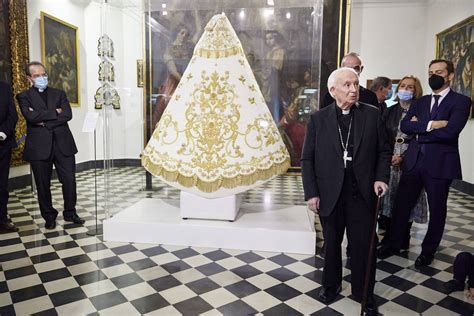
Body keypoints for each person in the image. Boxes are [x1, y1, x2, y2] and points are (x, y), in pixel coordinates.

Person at [301, 67, 391, 315]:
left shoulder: (372, 115)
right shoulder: (318, 119)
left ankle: (363, 293)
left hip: (362, 193)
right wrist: (312, 193)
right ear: (333, 91)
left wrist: (381, 178)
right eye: (348, 85)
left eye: (356, 84)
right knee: (331, 244)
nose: (354, 90)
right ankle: (331, 286)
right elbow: (307, 159)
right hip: (330, 192)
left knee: (363, 246)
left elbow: (384, 151)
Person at [378, 59, 472, 267]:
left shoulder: (461, 102)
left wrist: (420, 129)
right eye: (430, 72)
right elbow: (405, 125)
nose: (433, 76)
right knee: (401, 206)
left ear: (450, 75)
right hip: (413, 161)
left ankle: (427, 251)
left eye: (439, 72)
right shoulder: (420, 102)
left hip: (440, 164)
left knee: (437, 210)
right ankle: (393, 244)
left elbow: (451, 131)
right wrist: (432, 124)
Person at [16, 61, 84, 229]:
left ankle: (70, 212)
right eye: (37, 76)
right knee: (42, 184)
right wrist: (55, 113)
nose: (42, 78)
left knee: (69, 180)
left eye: (43, 74)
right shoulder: (23, 96)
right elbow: (30, 117)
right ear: (29, 78)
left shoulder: (59, 93)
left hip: (63, 144)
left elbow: (67, 115)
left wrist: (44, 121)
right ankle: (49, 217)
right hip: (39, 147)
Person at [379, 75, 428, 246]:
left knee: (408, 199)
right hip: (390, 157)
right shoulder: (390, 111)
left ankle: (403, 236)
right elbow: (382, 136)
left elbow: (423, 137)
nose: (405, 90)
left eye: (410, 87)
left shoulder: (421, 111)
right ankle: (389, 236)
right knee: (389, 198)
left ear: (416, 91)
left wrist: (404, 157)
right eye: (402, 86)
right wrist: (389, 156)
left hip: (411, 157)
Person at [0, 81, 18, 233]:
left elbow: (13, 114)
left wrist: (2, 133)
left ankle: (2, 219)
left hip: (2, 144)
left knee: (2, 185)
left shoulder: (4, 87)